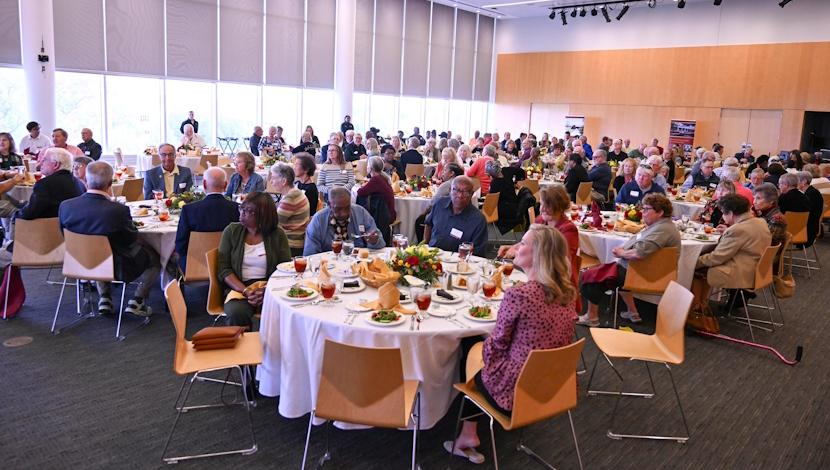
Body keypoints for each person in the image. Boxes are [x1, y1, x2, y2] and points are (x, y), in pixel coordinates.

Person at [445, 224, 577, 464]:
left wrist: (479, 348)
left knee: (470, 343)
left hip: (512, 392)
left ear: (538, 254)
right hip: (551, 386)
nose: (517, 247)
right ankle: (469, 430)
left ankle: (467, 433)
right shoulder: (567, 292)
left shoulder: (520, 295)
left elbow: (496, 346)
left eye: (523, 243)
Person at [59, 161, 161, 317]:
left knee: (100, 250)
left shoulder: (66, 206)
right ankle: (137, 300)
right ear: (109, 183)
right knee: (155, 256)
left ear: (86, 180)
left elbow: (63, 233)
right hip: (115, 265)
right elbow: (130, 239)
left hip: (77, 262)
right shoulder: (117, 210)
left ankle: (105, 297)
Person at [578, 193, 681, 326]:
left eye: (646, 209)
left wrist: (622, 253)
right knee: (613, 271)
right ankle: (633, 312)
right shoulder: (662, 226)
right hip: (644, 271)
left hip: (644, 274)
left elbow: (639, 253)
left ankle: (591, 317)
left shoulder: (662, 230)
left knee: (592, 276)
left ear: (660, 212)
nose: (642, 212)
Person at [498, 185, 581, 312]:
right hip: (537, 276)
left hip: (557, 284)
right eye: (541, 204)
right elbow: (528, 242)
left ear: (559, 206)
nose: (542, 209)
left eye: (548, 206)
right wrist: (513, 247)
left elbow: (557, 262)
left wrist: (519, 251)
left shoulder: (568, 230)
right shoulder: (541, 220)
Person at [218, 192, 291, 329]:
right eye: (242, 208)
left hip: (270, 288)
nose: (242, 213)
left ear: (263, 215)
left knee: (284, 310)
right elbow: (224, 269)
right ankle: (243, 349)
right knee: (236, 313)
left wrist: (267, 290)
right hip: (239, 287)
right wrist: (246, 290)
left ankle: (274, 348)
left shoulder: (277, 234)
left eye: (248, 211)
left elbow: (285, 268)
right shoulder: (232, 231)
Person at [693, 195, 771, 311]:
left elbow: (717, 257)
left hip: (743, 272)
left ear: (730, 213)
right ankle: (700, 305)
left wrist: (693, 262)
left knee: (696, 269)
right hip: (759, 270)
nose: (723, 217)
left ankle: (697, 308)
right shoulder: (760, 222)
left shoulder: (738, 230)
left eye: (723, 214)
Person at [175, 167, 240, 273]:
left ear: (204, 184)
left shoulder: (189, 210)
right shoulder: (236, 208)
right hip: (231, 265)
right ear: (225, 185)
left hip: (195, 266)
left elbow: (181, 244)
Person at [303, 187, 384, 255]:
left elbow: (380, 243)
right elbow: (310, 254)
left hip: (357, 265)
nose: (344, 213)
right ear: (329, 205)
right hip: (329, 267)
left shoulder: (360, 213)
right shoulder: (318, 220)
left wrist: (374, 241)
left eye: (347, 207)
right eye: (338, 209)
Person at [424, 176, 487, 257]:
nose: (460, 195)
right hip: (433, 257)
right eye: (456, 190)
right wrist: (425, 245)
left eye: (465, 192)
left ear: (471, 194)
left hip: (457, 263)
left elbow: (478, 253)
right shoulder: (440, 204)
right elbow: (428, 224)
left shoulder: (478, 220)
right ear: (450, 190)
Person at [16, 148, 85, 220]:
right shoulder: (80, 184)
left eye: (45, 159)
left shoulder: (45, 184)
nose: (40, 162)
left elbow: (28, 214)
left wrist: (15, 214)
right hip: (71, 228)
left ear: (56, 164)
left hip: (46, 229)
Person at [269, 163, 310, 257]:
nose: (271, 181)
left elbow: (273, 223)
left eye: (273, 178)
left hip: (291, 245)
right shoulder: (295, 192)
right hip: (296, 241)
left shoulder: (291, 198)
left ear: (283, 181)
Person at [357, 156, 396, 221]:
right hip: (389, 213)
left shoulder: (376, 179)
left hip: (384, 216)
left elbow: (360, 192)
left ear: (371, 168)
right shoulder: (383, 177)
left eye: (368, 165)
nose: (367, 167)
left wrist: (363, 186)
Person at [752, 183, 788, 254]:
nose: (754, 202)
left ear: (771, 201)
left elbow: (769, 242)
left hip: (768, 256)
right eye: (754, 198)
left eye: (758, 198)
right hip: (760, 250)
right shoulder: (763, 213)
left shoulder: (777, 219)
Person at [796, 170, 823, 246]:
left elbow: (805, 213)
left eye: (797, 180)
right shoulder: (812, 192)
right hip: (810, 227)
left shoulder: (811, 194)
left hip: (807, 231)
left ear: (804, 181)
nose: (795, 184)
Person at [292, 153, 319, 217]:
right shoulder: (297, 184)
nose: (294, 167)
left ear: (306, 169)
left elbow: (310, 213)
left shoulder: (311, 189)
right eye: (294, 164)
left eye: (296, 165)